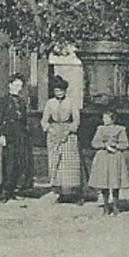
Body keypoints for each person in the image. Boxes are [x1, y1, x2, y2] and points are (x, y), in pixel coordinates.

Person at [0, 72, 35, 202]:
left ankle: (15, 189)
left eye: (20, 86)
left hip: (20, 135)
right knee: (8, 162)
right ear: (10, 85)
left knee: (19, 162)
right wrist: (1, 134)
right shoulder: (3, 101)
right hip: (8, 134)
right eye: (15, 85)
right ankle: (5, 191)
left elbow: (24, 120)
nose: (18, 88)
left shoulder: (21, 102)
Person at [41, 75, 84, 203]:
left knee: (69, 163)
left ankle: (73, 193)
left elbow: (76, 121)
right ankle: (59, 192)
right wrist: (50, 129)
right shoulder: (50, 103)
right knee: (56, 162)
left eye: (61, 90)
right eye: (56, 91)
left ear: (65, 90)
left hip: (68, 134)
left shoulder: (71, 102)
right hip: (54, 134)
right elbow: (44, 121)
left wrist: (68, 131)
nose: (59, 93)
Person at [87, 107, 128, 215]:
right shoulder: (100, 129)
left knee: (114, 182)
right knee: (103, 182)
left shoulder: (120, 129)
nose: (104, 120)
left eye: (107, 118)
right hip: (103, 157)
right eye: (103, 118)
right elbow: (94, 143)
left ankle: (115, 205)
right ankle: (106, 206)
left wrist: (115, 145)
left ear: (112, 119)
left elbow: (125, 144)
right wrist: (104, 145)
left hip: (115, 157)